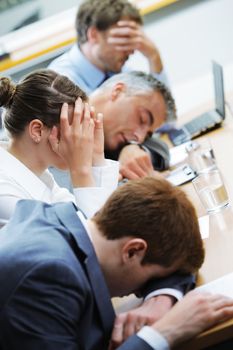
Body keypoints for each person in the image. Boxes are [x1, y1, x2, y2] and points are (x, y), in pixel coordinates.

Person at [0, 177, 233, 349]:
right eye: (148, 282)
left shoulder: (66, 223)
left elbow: (180, 266)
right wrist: (163, 333)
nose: (137, 292)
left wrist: (160, 298)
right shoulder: (45, 274)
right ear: (133, 251)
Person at [0, 69, 119, 228]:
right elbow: (88, 243)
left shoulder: (42, 177)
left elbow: (111, 223)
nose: (82, 138)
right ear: (38, 130)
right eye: (74, 128)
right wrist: (80, 171)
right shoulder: (5, 192)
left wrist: (97, 157)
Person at [50, 71, 176, 189]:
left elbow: (160, 147)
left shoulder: (115, 141)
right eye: (142, 119)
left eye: (148, 134)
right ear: (117, 91)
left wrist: (133, 150)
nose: (140, 138)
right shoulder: (55, 130)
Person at [49, 0, 168, 95]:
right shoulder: (58, 84)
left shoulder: (121, 72)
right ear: (94, 35)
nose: (132, 50)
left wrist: (154, 57)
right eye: (124, 38)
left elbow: (165, 121)